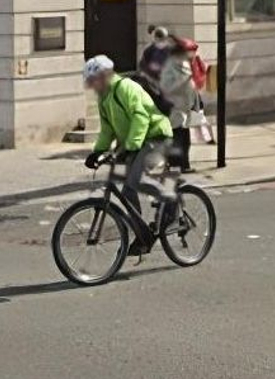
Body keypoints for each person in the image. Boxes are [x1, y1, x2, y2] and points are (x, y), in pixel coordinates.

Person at [82, 54, 175, 244]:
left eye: (94, 80)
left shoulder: (125, 87)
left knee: (135, 181)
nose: (92, 85)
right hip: (136, 143)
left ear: (105, 75)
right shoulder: (103, 98)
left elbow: (140, 116)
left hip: (156, 136)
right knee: (127, 191)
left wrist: (131, 146)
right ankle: (142, 235)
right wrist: (97, 152)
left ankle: (170, 199)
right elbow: (107, 130)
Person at [136, 25, 202, 171]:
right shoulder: (162, 55)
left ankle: (172, 162)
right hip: (172, 102)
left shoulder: (162, 54)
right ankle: (179, 164)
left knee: (174, 134)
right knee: (179, 135)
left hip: (169, 100)